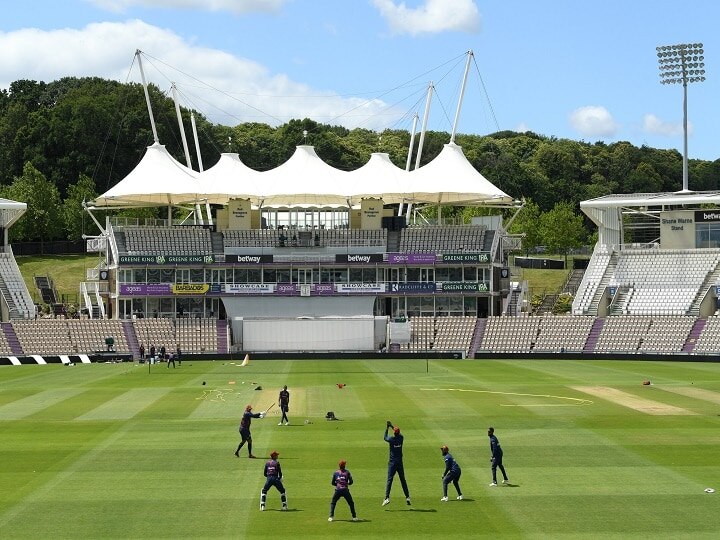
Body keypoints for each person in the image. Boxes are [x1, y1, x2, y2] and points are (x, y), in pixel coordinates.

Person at [382, 421, 410, 506]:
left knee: (389, 480)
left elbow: (385, 437)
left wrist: (387, 427)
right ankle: (407, 497)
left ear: (394, 433)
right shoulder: (401, 438)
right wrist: (392, 426)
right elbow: (397, 432)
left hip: (392, 463)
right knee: (403, 480)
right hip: (400, 462)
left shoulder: (391, 439)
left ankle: (387, 498)